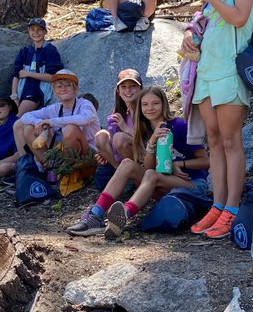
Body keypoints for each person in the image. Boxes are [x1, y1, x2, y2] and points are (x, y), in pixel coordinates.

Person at [178, 0, 253, 240]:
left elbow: (238, 18)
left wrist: (211, 0)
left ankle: (232, 209)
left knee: (230, 140)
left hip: (230, 74)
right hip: (207, 75)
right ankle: (218, 204)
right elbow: (206, 33)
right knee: (213, 141)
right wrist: (190, 37)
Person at [67, 86, 209, 236]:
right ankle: (95, 215)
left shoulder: (179, 125)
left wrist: (179, 164)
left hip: (193, 185)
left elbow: (206, 161)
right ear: (140, 107)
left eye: (155, 103)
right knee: (127, 164)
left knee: (152, 175)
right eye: (145, 104)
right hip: (164, 183)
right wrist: (152, 142)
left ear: (164, 104)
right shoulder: (145, 129)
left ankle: (122, 217)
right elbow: (149, 168)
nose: (150, 108)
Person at [15, 70, 99, 172]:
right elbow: (25, 116)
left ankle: (68, 173)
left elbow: (85, 118)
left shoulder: (85, 104)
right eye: (59, 86)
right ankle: (49, 169)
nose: (63, 89)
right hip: (63, 152)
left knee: (71, 129)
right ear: (54, 91)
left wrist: (50, 122)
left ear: (75, 88)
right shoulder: (55, 108)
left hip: (90, 153)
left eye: (68, 85)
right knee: (29, 128)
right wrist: (38, 123)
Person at [11, 17, 64, 116]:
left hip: (36, 92)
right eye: (32, 29)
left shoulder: (50, 50)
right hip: (20, 92)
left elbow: (52, 77)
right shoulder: (25, 51)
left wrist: (29, 74)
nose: (36, 32)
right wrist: (14, 96)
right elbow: (16, 74)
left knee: (16, 118)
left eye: (39, 29)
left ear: (45, 32)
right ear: (28, 31)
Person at [94, 68, 142, 166]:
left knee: (119, 138)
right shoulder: (120, 112)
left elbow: (147, 139)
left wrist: (125, 128)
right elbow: (113, 139)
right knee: (101, 136)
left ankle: (134, 173)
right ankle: (118, 169)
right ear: (118, 91)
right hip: (123, 159)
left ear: (140, 89)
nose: (128, 90)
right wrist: (105, 152)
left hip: (144, 156)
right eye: (123, 87)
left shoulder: (145, 109)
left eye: (133, 86)